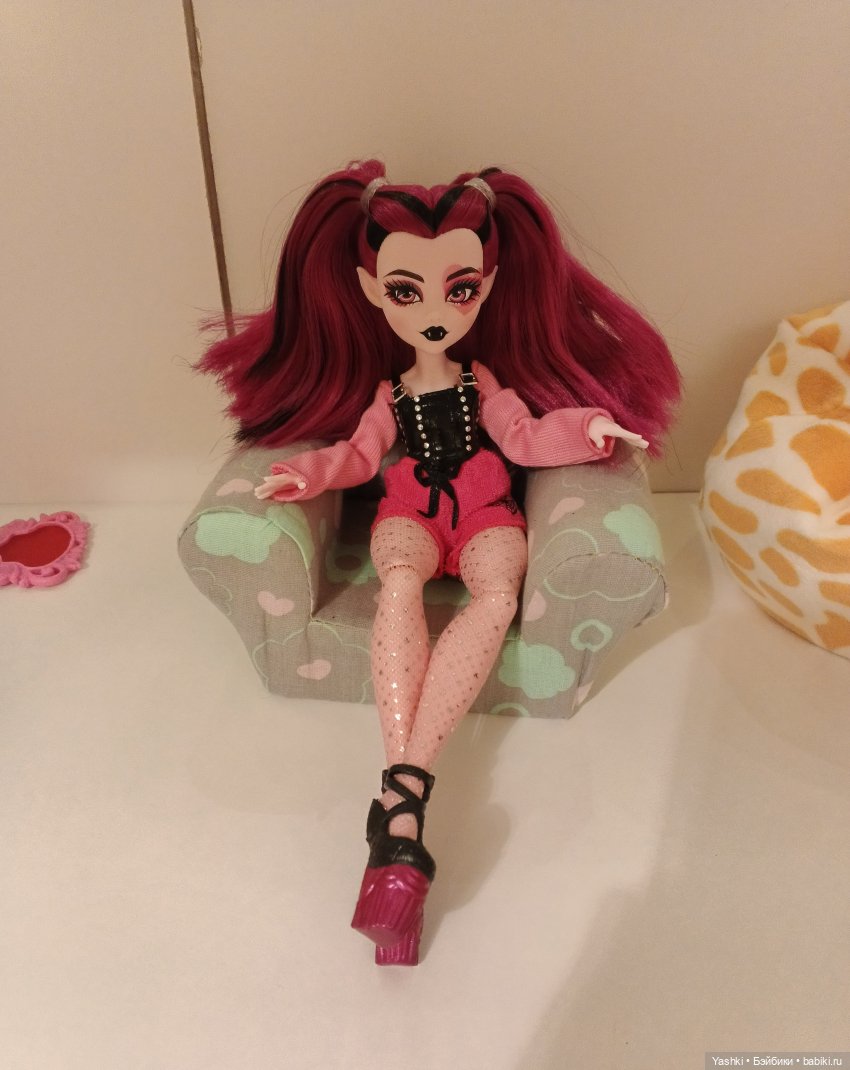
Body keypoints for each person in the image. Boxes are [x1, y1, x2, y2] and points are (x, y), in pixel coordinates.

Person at [198, 160, 679, 965]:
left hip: (487, 513)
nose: (433, 313)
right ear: (369, 289)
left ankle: (402, 796)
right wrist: (308, 474)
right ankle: (407, 795)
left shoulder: (484, 381)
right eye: (404, 291)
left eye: (458, 291)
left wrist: (588, 429)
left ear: (486, 288)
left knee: (496, 595)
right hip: (411, 515)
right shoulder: (389, 394)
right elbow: (359, 456)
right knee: (398, 585)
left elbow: (526, 437)